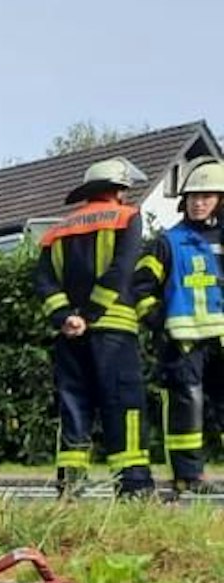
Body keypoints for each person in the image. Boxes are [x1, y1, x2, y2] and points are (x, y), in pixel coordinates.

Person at [32, 157, 156, 500]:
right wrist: (91, 313)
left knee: (74, 408)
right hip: (114, 332)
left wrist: (66, 318)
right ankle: (133, 488)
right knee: (124, 406)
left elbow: (43, 281)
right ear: (119, 190)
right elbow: (122, 269)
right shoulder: (127, 217)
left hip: (70, 336)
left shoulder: (59, 228)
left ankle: (70, 488)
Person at [134, 158, 224, 497]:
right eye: (193, 197)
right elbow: (140, 289)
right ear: (183, 201)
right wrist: (160, 322)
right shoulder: (167, 242)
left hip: (220, 340)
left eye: (207, 196)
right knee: (188, 406)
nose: (199, 203)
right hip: (183, 344)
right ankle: (188, 475)